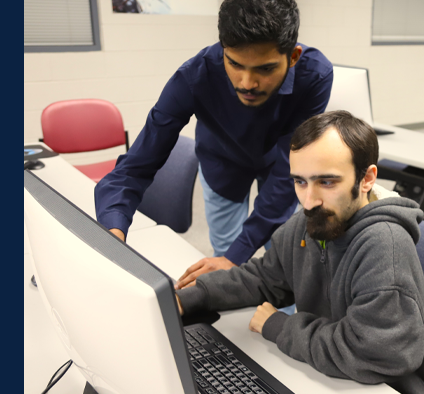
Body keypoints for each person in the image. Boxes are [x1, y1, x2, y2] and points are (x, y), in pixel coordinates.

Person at [175, 111, 424, 394]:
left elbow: (375, 353)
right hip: (327, 376)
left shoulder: (384, 247)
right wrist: (190, 299)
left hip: (383, 389)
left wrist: (279, 326)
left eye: (327, 182)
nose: (309, 200)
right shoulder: (313, 219)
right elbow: (265, 277)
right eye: (300, 181)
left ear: (366, 179)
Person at [95, 0, 333, 283]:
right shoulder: (194, 77)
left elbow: (289, 167)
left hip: (281, 163)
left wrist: (238, 254)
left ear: (293, 57)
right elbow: (135, 167)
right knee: (226, 266)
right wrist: (112, 234)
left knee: (286, 256)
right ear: (223, 50)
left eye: (265, 69)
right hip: (222, 163)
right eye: (234, 64)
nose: (247, 82)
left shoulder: (315, 75)